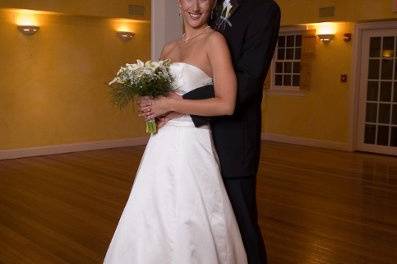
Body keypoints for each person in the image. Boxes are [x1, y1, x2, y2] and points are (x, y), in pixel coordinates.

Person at [104, 0, 248, 263]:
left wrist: (170, 104)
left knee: (187, 216)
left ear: (213, 3)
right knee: (151, 212)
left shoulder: (214, 41)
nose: (195, 6)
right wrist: (152, 108)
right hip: (161, 144)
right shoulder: (169, 47)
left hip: (192, 144)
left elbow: (226, 104)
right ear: (179, 3)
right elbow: (159, 97)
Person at [141, 0, 281, 263]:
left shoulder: (263, 9)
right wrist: (156, 106)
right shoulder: (206, 10)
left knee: (238, 227)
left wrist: (177, 103)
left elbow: (248, 79)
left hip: (232, 138)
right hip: (181, 143)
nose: (195, 5)